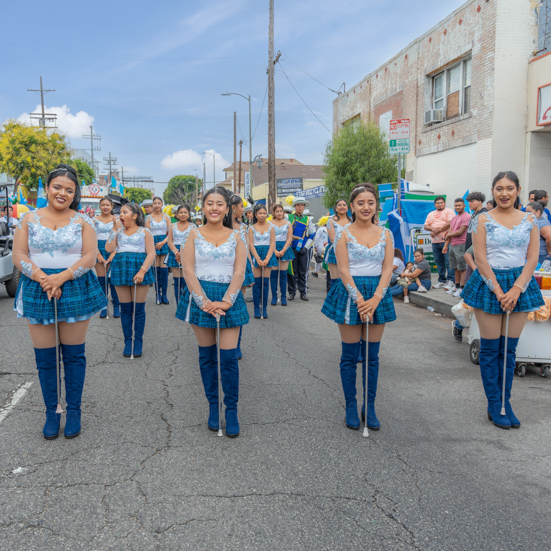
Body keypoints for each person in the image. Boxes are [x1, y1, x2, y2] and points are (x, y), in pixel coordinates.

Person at [13, 164, 107, 439]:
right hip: (36, 286)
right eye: (57, 187)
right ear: (47, 187)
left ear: (75, 193)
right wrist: (43, 277)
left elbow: (90, 256)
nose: (63, 193)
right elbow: (19, 253)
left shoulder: (83, 220)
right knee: (46, 359)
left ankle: (74, 411)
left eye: (69, 190)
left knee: (74, 355)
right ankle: (52, 411)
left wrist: (62, 277)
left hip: (75, 286)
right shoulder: (27, 219)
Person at [461, 171, 544, 430]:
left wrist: (517, 288)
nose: (504, 193)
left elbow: (532, 258)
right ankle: (494, 404)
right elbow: (480, 258)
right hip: (489, 284)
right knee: (490, 350)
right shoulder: (482, 219)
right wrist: (498, 291)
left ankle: (506, 403)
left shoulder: (529, 219)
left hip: (520, 285)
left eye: (509, 188)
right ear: (493, 191)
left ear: (518, 190)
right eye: (499, 188)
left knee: (508, 351)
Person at [176, 187, 249, 438]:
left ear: (227, 209)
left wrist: (227, 301)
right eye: (209, 203)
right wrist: (203, 300)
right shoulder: (191, 235)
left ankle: (231, 410)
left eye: (220, 204)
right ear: (203, 207)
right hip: (201, 297)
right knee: (207, 357)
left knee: (228, 360)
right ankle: (212, 406)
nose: (214, 208)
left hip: (230, 297)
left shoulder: (238, 236)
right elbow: (188, 271)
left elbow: (239, 271)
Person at [322, 183, 396, 431]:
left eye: (371, 202)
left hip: (378, 294)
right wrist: (358, 299)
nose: (366, 207)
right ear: (351, 206)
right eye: (360, 203)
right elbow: (343, 270)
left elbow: (387, 268)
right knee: (350, 355)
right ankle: (351, 405)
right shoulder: (343, 233)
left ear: (377, 206)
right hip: (350, 293)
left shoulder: (386, 233)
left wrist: (375, 299)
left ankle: (370, 405)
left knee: (372, 357)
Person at [106, 203, 155, 358]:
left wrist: (142, 271)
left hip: (139, 268)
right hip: (121, 268)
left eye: (125, 212)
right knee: (125, 310)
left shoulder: (145, 232)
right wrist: (114, 230)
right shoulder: (118, 232)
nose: (120, 214)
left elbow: (151, 253)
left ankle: (138, 341)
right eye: (120, 212)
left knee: (138, 309)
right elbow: (108, 249)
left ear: (134, 215)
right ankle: (128, 341)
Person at [230, 194, 255, 359]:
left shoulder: (244, 227)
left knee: (238, 304)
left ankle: (236, 344)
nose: (243, 210)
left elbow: (245, 249)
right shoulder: (220, 226)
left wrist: (251, 268)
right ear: (233, 207)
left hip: (242, 266)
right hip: (224, 267)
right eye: (241, 207)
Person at [94, 197, 121, 318]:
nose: (105, 207)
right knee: (102, 280)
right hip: (98, 248)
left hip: (113, 248)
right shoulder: (94, 220)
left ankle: (116, 305)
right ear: (99, 206)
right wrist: (98, 254)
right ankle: (103, 306)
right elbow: (90, 239)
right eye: (103, 205)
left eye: (108, 205)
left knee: (113, 280)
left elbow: (120, 237)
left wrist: (113, 253)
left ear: (112, 207)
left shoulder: (117, 220)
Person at [249, 204, 277, 319]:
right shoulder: (251, 228)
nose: (262, 215)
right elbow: (250, 244)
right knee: (257, 284)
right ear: (256, 215)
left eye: (264, 213)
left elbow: (272, 243)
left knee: (265, 283)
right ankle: (256, 307)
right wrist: (257, 259)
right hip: (256, 255)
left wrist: (266, 259)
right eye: (260, 213)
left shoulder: (271, 227)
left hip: (267, 255)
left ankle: (264, 307)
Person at [288, 197, 316, 301]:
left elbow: (312, 235)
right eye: (298, 205)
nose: (300, 207)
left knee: (302, 271)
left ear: (304, 207)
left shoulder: (308, 219)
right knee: (291, 271)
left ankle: (303, 292)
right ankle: (291, 292)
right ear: (295, 206)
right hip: (291, 248)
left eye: (302, 205)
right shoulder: (288, 217)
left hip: (303, 249)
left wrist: (305, 247)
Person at [167, 204, 196, 304]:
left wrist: (184, 252)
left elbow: (195, 241)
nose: (183, 214)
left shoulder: (193, 226)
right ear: (177, 214)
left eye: (185, 212)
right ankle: (178, 304)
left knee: (186, 281)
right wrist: (176, 252)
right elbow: (170, 241)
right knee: (177, 281)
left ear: (188, 214)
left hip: (188, 253)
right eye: (181, 212)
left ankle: (186, 305)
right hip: (175, 253)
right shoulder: (172, 226)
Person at [424, 196, 455, 289]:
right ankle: (441, 280)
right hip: (435, 242)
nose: (440, 204)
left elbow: (450, 223)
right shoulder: (431, 214)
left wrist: (437, 231)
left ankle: (451, 280)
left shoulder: (449, 211)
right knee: (438, 262)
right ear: (435, 204)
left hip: (447, 241)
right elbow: (426, 226)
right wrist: (433, 229)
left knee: (449, 261)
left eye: (441, 202)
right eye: (438, 203)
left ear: (445, 203)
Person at [442, 198, 471, 297]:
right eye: (456, 205)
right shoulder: (454, 218)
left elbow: (460, 232)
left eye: (459, 205)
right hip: (452, 245)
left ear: (464, 206)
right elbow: (450, 231)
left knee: (462, 267)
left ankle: (462, 288)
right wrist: (446, 245)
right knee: (455, 267)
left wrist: (448, 236)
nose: (457, 207)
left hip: (462, 244)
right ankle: (456, 286)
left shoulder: (467, 216)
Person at [145, 197, 171, 304]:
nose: (156, 205)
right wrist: (151, 246)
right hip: (153, 243)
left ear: (162, 205)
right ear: (152, 205)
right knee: (156, 270)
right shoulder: (148, 218)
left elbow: (171, 233)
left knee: (164, 271)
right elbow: (147, 233)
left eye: (158, 203)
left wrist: (163, 242)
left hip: (164, 243)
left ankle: (164, 294)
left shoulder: (166, 217)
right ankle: (157, 294)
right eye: (154, 203)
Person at [324, 199, 352, 292]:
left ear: (348, 208)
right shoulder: (331, 221)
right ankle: (333, 303)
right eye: (339, 205)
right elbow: (333, 239)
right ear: (336, 208)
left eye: (344, 205)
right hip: (335, 251)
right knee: (335, 281)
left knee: (347, 281)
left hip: (351, 252)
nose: (342, 207)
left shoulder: (352, 221)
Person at [270, 203, 294, 305]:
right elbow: (269, 238)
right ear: (274, 213)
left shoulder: (288, 223)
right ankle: (274, 297)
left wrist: (284, 250)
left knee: (283, 275)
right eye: (277, 211)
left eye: (281, 211)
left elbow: (289, 238)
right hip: (273, 248)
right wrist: (274, 250)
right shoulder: (270, 223)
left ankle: (283, 297)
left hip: (285, 248)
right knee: (274, 275)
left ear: (283, 212)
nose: (279, 213)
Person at [452, 245, 476, 342]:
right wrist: (477, 270)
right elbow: (467, 255)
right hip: (474, 279)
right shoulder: (483, 238)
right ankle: (458, 326)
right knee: (468, 307)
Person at [464, 192, 487, 284]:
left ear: (480, 202)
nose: (469, 203)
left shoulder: (484, 214)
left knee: (473, 278)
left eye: (472, 201)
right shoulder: (474, 214)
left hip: (478, 248)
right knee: (469, 278)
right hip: (470, 245)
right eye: (469, 201)